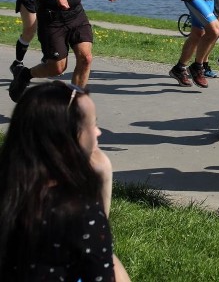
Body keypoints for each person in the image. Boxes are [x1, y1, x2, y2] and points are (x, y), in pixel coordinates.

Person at [0, 80, 131, 281]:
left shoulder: (11, 191)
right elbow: (106, 273)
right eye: (93, 124)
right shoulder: (78, 210)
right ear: (69, 138)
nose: (98, 132)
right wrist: (104, 177)